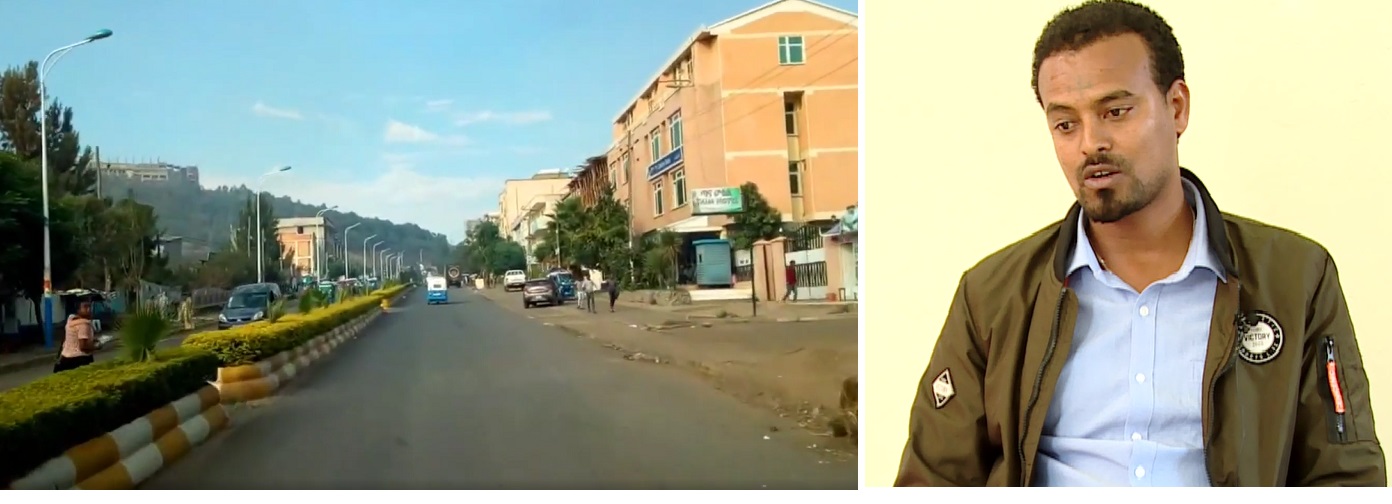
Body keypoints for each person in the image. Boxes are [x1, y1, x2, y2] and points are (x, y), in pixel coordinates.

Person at [895, 0, 1384, 488]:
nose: (1090, 143)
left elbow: (1346, 476)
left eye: (1115, 111)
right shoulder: (992, 296)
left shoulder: (1295, 279)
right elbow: (932, 480)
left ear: (1177, 107)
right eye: (1065, 124)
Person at [54, 302, 98, 373]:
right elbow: (83, 346)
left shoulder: (70, 319)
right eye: (85, 307)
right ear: (78, 310)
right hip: (80, 359)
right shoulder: (84, 324)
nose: (89, 309)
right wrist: (96, 346)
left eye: (90, 307)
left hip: (65, 357)